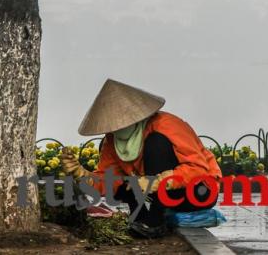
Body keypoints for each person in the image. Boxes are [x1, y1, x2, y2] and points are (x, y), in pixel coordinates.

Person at [61, 79, 221, 238]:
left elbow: (198, 169)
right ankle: (139, 216)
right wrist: (82, 174)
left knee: (156, 143)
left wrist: (157, 181)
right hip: (160, 194)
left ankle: (155, 221)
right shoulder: (111, 141)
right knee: (125, 183)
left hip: (197, 192)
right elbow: (110, 181)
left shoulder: (167, 125)